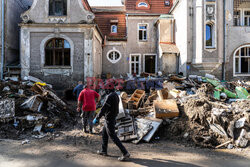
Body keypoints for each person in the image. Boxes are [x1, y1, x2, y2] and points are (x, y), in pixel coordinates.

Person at [93, 87, 130, 161]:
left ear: (108, 90)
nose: (105, 91)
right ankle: (104, 151)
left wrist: (97, 117)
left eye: (106, 90)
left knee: (113, 137)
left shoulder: (109, 96)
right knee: (104, 134)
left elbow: (104, 108)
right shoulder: (116, 95)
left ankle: (125, 153)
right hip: (111, 118)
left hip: (109, 119)